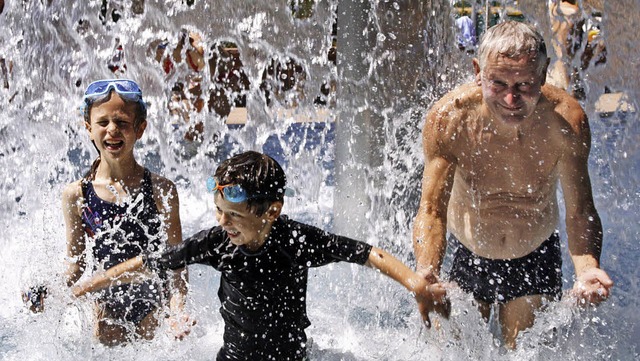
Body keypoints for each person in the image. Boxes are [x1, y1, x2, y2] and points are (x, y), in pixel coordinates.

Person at [72, 150, 447, 360]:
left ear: (271, 211)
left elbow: (365, 253)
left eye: (233, 214)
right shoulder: (216, 242)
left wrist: (414, 281)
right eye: (219, 211)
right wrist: (84, 288)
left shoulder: (298, 240)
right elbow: (150, 261)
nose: (223, 222)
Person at [412, 21, 613, 349]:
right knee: (458, 355)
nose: (511, 98)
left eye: (524, 84)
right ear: (478, 72)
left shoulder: (566, 121)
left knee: (522, 355)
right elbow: (432, 210)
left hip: (534, 255)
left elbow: (580, 210)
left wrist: (588, 268)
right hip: (469, 254)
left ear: (544, 72)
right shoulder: (450, 119)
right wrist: (427, 270)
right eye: (499, 83)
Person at [61, 79, 192, 345]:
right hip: (106, 301)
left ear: (140, 128)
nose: (112, 130)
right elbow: (76, 263)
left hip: (153, 297)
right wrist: (49, 293)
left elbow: (177, 262)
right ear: (88, 128)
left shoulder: (161, 190)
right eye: (103, 122)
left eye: (121, 122)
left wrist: (177, 309)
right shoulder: (77, 194)